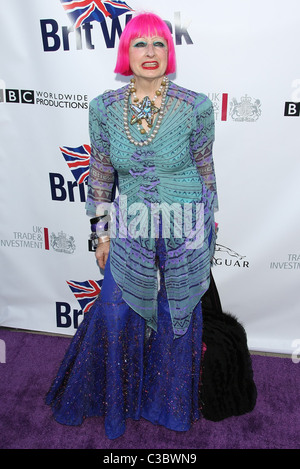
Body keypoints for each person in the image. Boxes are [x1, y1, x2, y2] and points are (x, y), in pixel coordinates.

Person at [46, 12, 256, 440]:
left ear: (169, 52)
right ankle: (114, 401)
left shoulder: (194, 105)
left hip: (185, 219)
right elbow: (101, 173)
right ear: (127, 52)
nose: (150, 53)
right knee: (115, 308)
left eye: (158, 44)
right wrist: (101, 234)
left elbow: (205, 167)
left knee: (179, 314)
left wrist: (208, 224)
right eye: (140, 44)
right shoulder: (103, 107)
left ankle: (168, 404)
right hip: (133, 219)